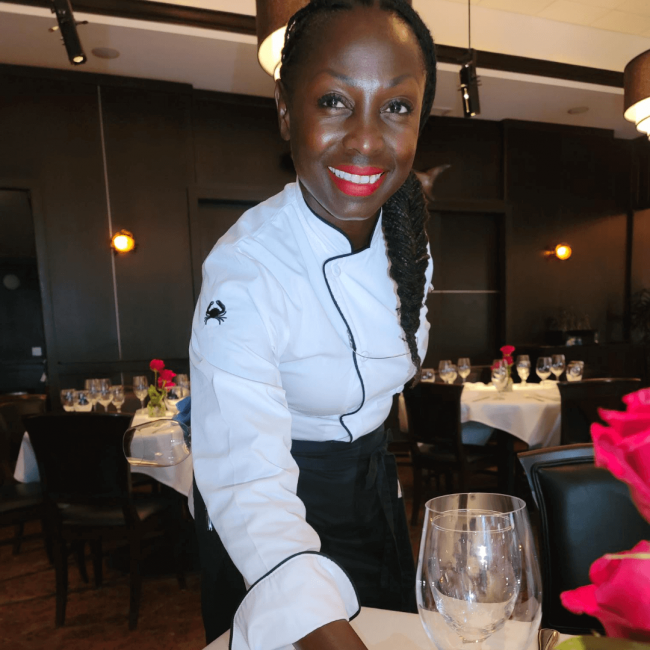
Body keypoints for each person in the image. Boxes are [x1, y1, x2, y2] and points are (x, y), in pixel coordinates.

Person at [190, 1, 437, 648]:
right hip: (272, 506)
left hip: (374, 488)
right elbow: (247, 474)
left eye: (396, 107)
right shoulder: (246, 269)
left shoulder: (410, 239)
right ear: (284, 111)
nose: (365, 138)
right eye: (333, 101)